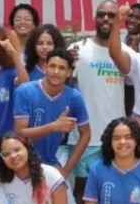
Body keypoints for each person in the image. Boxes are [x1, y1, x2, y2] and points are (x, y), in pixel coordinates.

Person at [63, 0, 136, 204]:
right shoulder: (77, 49)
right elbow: (65, 87)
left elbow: (132, 89)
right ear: (94, 17)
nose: (107, 20)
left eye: (112, 16)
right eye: (102, 15)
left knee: (114, 193)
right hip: (83, 136)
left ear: (119, 20)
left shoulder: (126, 53)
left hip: (115, 138)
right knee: (83, 193)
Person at [14, 48, 92, 177]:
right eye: (52, 66)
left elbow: (86, 134)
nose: (56, 72)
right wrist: (54, 127)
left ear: (69, 73)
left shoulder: (74, 96)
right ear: (45, 67)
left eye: (61, 68)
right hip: (24, 163)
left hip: (51, 162)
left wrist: (67, 169)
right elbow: (20, 133)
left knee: (66, 196)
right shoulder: (25, 91)